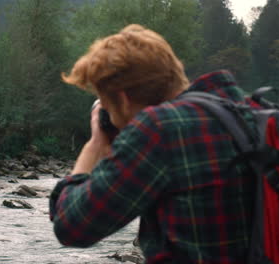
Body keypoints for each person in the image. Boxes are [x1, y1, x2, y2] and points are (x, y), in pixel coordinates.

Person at [49, 24, 255, 263]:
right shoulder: (248, 114)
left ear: (124, 99)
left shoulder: (159, 130)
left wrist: (94, 146)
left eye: (107, 106)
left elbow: (71, 226)